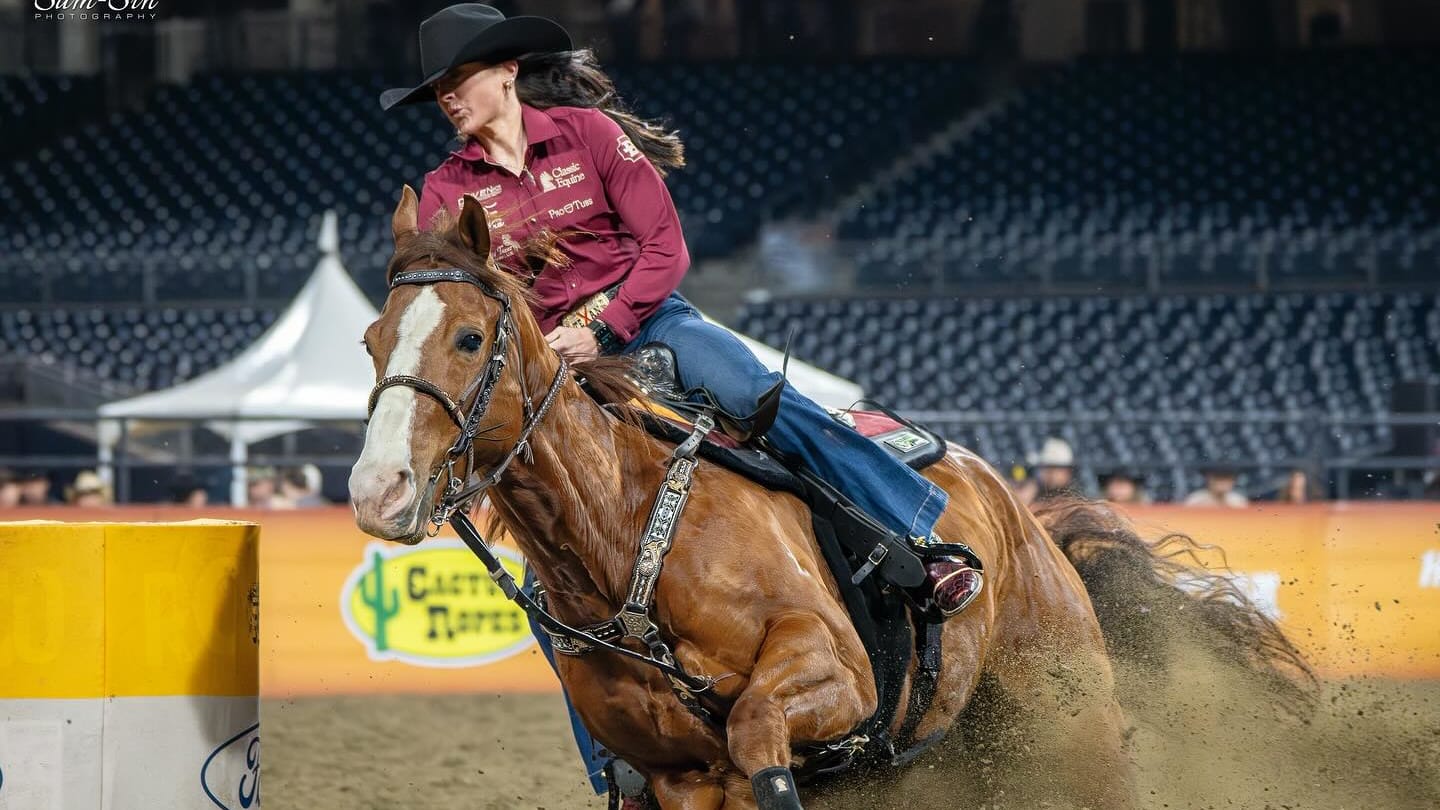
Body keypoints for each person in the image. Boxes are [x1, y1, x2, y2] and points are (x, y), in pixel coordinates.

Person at [381, 3, 982, 796]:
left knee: (759, 396)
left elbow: (666, 248)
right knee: (545, 579)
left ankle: (917, 546)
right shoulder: (444, 192)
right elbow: (459, 309)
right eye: (438, 92)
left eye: (457, 81)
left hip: (651, 324)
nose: (448, 100)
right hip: (548, 371)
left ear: (506, 72)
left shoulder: (591, 137)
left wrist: (606, 325)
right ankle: (618, 768)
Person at [1184, 466, 1249, 508]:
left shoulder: (1239, 501)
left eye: (1226, 478)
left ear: (1232, 481)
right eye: (1218, 478)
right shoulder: (1195, 501)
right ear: (1209, 479)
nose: (1222, 482)